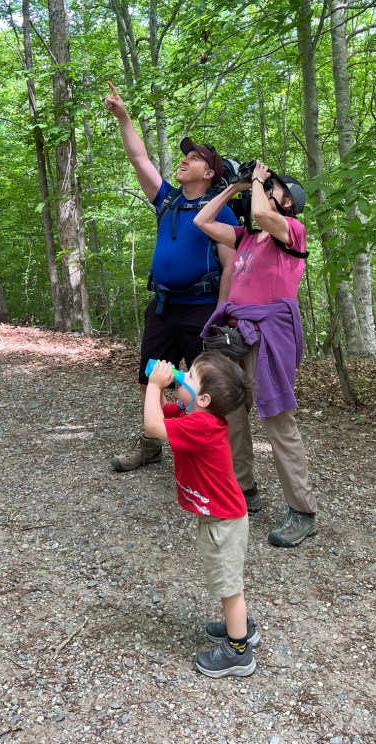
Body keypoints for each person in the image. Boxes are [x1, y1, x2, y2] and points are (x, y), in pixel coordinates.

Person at [105, 81, 240, 472]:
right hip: (163, 307)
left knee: (203, 387)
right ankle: (151, 445)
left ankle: (204, 454)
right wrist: (124, 116)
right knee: (154, 376)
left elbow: (230, 265)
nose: (184, 160)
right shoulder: (168, 200)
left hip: (201, 311)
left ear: (210, 173)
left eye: (194, 157)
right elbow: (139, 159)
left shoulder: (222, 213)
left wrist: (221, 314)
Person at [193, 160, 318, 548]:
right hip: (236, 335)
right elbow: (202, 220)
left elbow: (264, 213)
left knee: (278, 420)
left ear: (290, 203)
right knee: (231, 412)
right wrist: (235, 187)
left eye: (277, 186)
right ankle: (245, 489)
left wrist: (261, 182)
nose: (266, 189)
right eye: (268, 183)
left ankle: (303, 511)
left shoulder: (291, 232)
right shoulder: (246, 237)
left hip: (270, 338)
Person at [144, 352, 259, 678]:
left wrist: (154, 385)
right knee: (227, 581)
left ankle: (239, 651)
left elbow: (153, 427)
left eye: (189, 375)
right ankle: (242, 629)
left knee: (229, 586)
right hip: (220, 517)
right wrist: (165, 389)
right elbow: (161, 414)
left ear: (203, 398)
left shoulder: (202, 424)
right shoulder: (191, 412)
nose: (181, 374)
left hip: (223, 523)